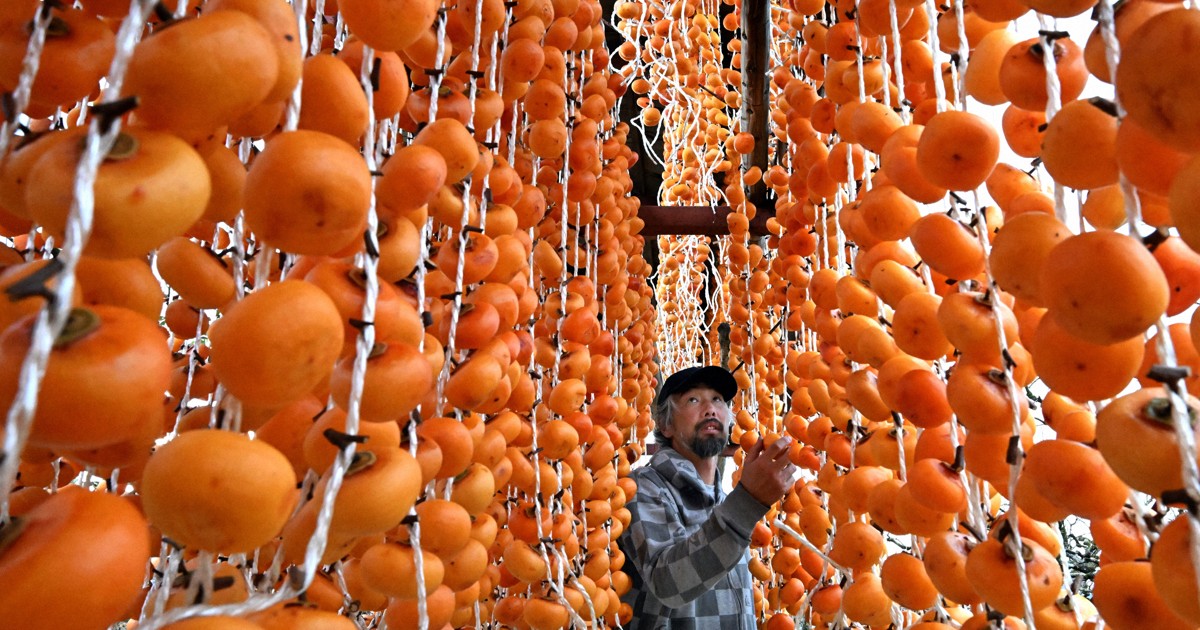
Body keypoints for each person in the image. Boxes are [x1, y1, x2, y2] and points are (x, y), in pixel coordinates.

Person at [617, 365, 797, 629]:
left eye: (718, 400)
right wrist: (748, 502)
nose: (710, 408)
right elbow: (667, 581)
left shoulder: (727, 502)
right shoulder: (643, 487)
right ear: (666, 425)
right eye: (693, 400)